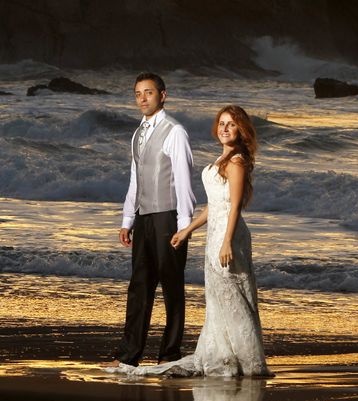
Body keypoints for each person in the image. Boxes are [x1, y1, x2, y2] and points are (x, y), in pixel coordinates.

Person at [108, 105, 270, 377]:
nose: (224, 129)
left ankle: (246, 358)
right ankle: (225, 351)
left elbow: (234, 207)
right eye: (221, 123)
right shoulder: (222, 159)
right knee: (219, 296)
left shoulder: (237, 161)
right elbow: (214, 206)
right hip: (215, 233)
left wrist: (227, 241)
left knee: (234, 294)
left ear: (241, 129)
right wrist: (187, 229)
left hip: (229, 236)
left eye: (231, 124)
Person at [107, 72, 196, 368]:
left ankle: (169, 354)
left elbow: (184, 183)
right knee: (139, 286)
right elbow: (135, 179)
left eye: (148, 93)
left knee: (172, 286)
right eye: (137, 94)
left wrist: (184, 226)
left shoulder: (175, 131)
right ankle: (129, 356)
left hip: (169, 218)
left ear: (163, 95)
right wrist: (127, 218)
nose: (142, 98)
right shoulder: (137, 133)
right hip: (144, 219)